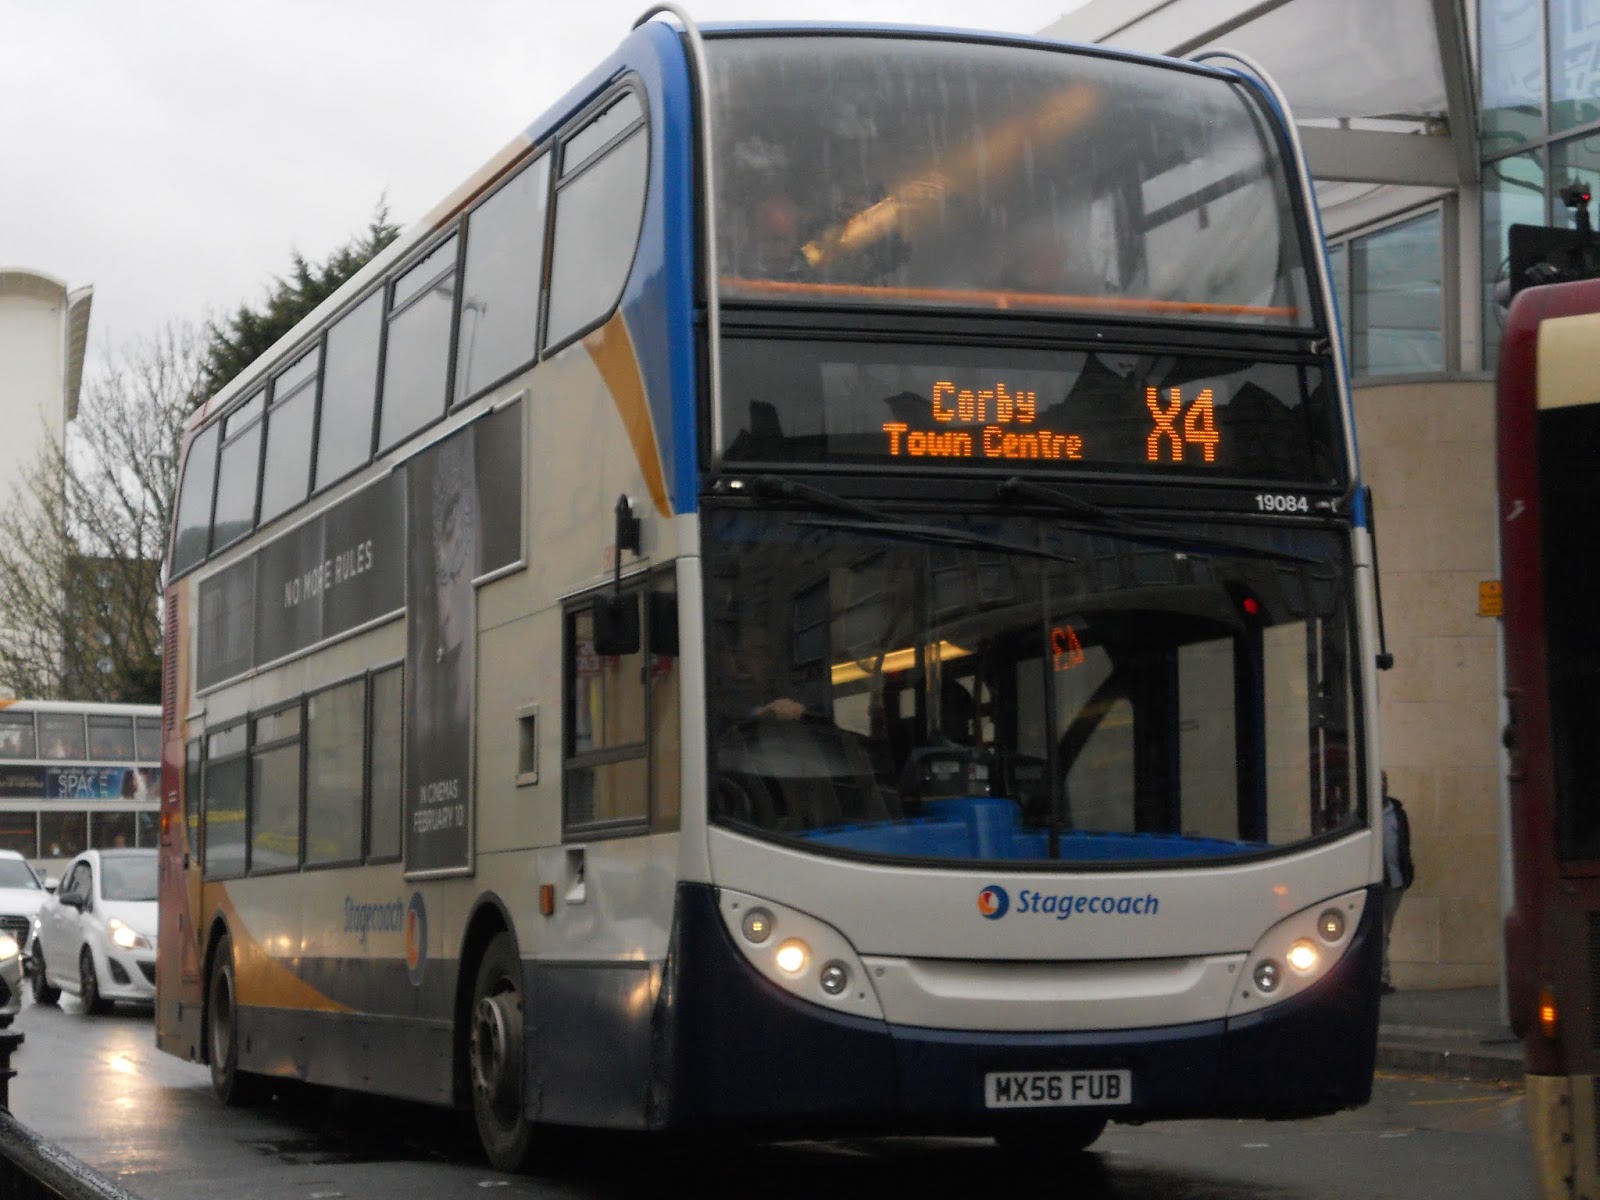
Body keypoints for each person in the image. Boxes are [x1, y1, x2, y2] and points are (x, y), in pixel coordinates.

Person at [1380, 772, 1415, 995]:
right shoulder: (1363, 815)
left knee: (1385, 931)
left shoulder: (1398, 814)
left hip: (1395, 881)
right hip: (1374, 882)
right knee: (1380, 931)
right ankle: (1382, 977)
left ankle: (1382, 976)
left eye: (1383, 784)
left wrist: (1407, 873)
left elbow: (1404, 844)